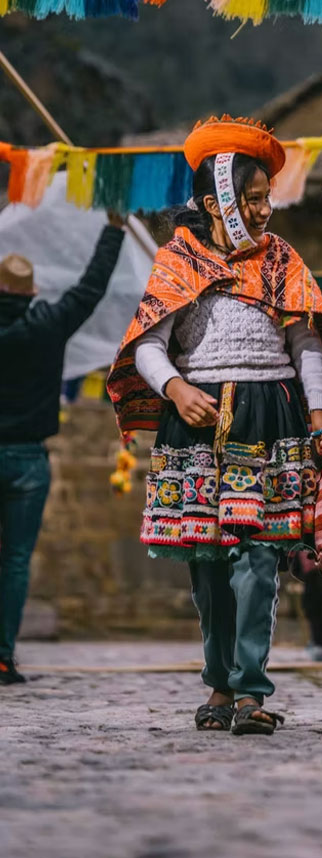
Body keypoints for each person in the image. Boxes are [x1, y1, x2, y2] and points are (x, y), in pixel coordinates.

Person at [108, 115, 322, 735]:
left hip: (269, 417)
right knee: (208, 557)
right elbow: (148, 343)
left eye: (265, 197)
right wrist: (174, 386)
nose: (264, 209)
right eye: (252, 198)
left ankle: (250, 690)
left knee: (259, 556)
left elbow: (305, 344)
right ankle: (217, 683)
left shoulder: (282, 262)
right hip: (196, 418)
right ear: (217, 199)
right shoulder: (177, 262)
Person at [0, 213, 126, 685]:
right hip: (29, 460)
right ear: (30, 293)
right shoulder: (47, 325)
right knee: (14, 561)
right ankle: (3, 656)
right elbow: (91, 288)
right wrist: (113, 229)